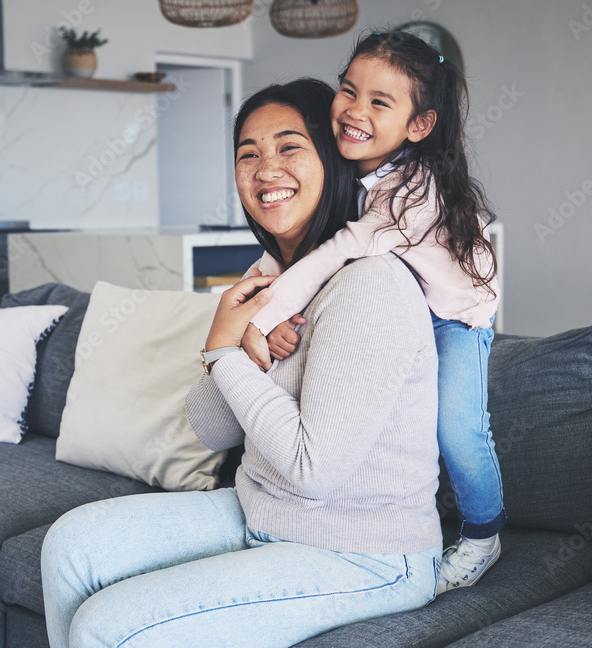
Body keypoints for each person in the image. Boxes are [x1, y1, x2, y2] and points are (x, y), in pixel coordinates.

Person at [40, 78, 442, 648]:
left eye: (288, 147)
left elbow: (312, 471)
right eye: (247, 154)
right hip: (261, 514)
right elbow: (210, 429)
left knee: (108, 628)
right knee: (69, 547)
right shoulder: (270, 280)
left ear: (331, 158)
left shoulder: (369, 284)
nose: (264, 168)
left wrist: (225, 352)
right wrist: (223, 342)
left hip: (365, 553)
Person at [242, 31, 505, 595]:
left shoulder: (415, 191)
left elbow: (335, 251)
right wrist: (261, 293)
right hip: (394, 304)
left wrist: (258, 320)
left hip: (455, 319)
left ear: (419, 126)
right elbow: (304, 241)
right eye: (348, 90)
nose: (354, 111)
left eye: (379, 103)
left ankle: (483, 533)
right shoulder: (351, 163)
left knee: (457, 431)